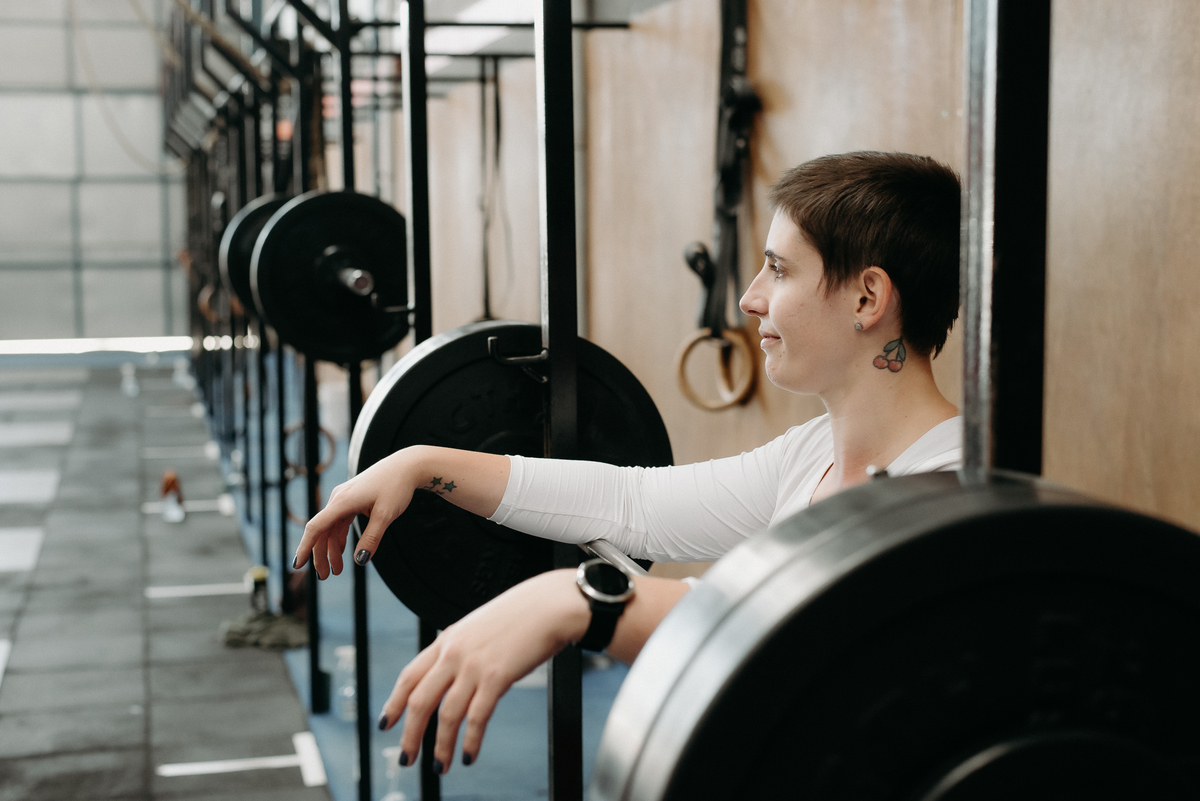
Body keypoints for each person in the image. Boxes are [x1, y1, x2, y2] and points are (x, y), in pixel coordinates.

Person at [293, 151, 963, 774]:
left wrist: (578, 599)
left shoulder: (949, 492)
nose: (750, 297)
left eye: (780, 270)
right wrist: (421, 461)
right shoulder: (811, 454)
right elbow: (629, 504)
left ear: (867, 299)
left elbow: (797, 631)